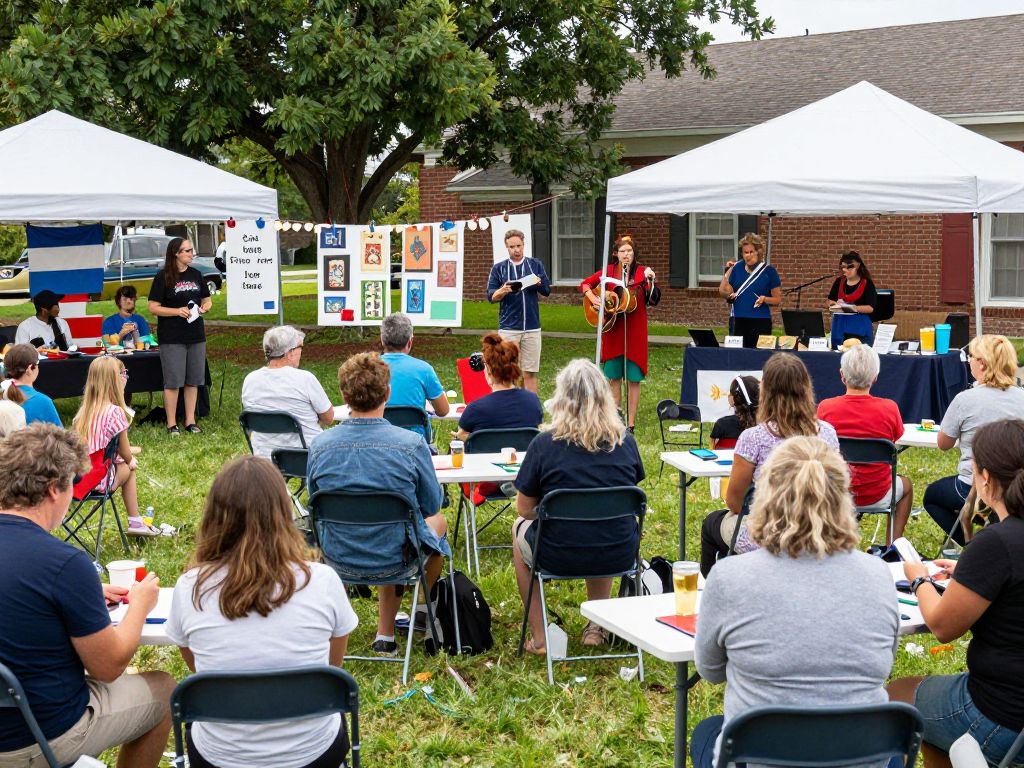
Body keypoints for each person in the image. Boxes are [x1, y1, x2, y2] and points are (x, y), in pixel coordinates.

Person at [691, 436, 898, 768]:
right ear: (843, 499)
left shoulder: (729, 578)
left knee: (707, 732)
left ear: (766, 497)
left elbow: (710, 670)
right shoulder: (879, 575)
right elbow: (884, 664)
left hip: (760, 752)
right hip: (859, 754)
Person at [166, 456, 358, 768]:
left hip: (220, 757)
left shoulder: (190, 588)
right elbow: (330, 665)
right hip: (312, 752)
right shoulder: (322, 581)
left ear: (214, 516)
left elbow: (198, 667)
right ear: (284, 514)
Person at [0, 424, 174, 768]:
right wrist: (140, 604)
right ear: (53, 489)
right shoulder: (63, 563)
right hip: (37, 737)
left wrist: (80, 596)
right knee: (166, 690)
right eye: (72, 485)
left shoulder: (58, 572)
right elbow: (107, 667)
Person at [888, 419, 1024, 768]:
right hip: (1012, 708)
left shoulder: (996, 542)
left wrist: (919, 579)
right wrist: (968, 570)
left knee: (891, 699)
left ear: (985, 477)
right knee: (941, 738)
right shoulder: (999, 546)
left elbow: (943, 627)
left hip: (1000, 715)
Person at [307, 352, 449, 657]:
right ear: (387, 393)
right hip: (395, 555)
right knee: (437, 522)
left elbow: (314, 502)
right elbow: (431, 503)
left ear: (344, 396)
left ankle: (340, 625)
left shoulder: (319, 446)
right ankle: (398, 625)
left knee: (393, 525)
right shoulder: (411, 445)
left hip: (336, 553)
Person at [512, 359, 645, 654]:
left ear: (561, 398)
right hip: (619, 550)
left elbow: (524, 509)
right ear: (605, 398)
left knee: (517, 527)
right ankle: (596, 627)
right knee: (603, 521)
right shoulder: (626, 443)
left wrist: (558, 514)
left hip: (557, 552)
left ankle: (540, 636)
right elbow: (629, 494)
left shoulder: (543, 444)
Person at [700, 353, 840, 575]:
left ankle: (716, 594)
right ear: (806, 388)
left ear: (765, 392)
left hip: (767, 537)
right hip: (816, 529)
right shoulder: (828, 434)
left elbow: (735, 502)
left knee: (711, 525)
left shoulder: (753, 438)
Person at [923, 334, 1024, 546]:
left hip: (975, 486)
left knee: (932, 496)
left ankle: (974, 545)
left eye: (970, 356)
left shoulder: (965, 399)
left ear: (982, 363)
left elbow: (944, 444)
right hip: (1017, 488)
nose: (968, 361)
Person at [817, 343, 912, 543]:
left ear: (842, 375)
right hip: (877, 493)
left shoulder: (826, 408)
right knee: (907, 486)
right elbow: (895, 438)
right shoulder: (889, 408)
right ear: (875, 377)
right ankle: (891, 546)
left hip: (835, 492)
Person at [579, 235, 661, 430]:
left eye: (629, 251)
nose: (626, 255)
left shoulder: (642, 272)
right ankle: (616, 419)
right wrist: (594, 297)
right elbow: (585, 284)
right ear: (616, 254)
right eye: (623, 251)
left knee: (633, 378)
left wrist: (651, 280)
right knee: (614, 377)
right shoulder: (608, 271)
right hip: (614, 330)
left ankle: (631, 423)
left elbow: (654, 298)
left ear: (634, 253)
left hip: (635, 330)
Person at [72, 355, 157, 537]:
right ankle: (135, 520)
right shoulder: (115, 412)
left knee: (123, 463)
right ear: (115, 380)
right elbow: (123, 451)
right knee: (128, 468)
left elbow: (97, 447)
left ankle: (136, 521)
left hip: (79, 480)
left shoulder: (83, 412)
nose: (125, 377)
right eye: (123, 373)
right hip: (99, 480)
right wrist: (131, 459)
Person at [148, 237, 211, 436]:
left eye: (191, 250)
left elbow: (207, 299)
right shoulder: (163, 277)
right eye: (187, 251)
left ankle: (190, 420)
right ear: (176, 253)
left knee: (193, 379)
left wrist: (204, 308)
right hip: (172, 336)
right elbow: (153, 307)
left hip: (195, 334)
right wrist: (177, 311)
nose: (191, 254)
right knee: (173, 381)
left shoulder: (196, 274)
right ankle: (171, 423)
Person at [241, 325, 334, 458]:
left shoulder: (250, 380)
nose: (301, 351)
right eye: (300, 347)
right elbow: (329, 418)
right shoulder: (305, 379)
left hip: (264, 456)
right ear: (290, 352)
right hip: (305, 456)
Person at [486, 228, 551, 394]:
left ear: (524, 245)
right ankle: (511, 407)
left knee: (530, 372)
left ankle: (531, 409)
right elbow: (491, 296)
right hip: (509, 327)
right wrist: (503, 290)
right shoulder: (499, 268)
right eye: (512, 247)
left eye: (519, 246)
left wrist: (537, 282)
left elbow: (546, 290)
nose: (516, 250)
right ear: (507, 248)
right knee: (508, 370)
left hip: (532, 327)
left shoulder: (535, 264)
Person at [456, 332, 543, 441]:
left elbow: (461, 437)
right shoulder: (533, 402)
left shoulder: (475, 409)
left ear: (488, 370)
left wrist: (460, 437)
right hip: (522, 458)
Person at [380, 312, 449, 438]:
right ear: (410, 342)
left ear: (382, 340)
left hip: (378, 439)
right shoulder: (424, 369)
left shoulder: (368, 368)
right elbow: (443, 410)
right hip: (416, 441)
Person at [718, 233, 781, 348]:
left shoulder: (769, 271)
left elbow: (777, 300)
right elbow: (724, 292)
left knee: (759, 357)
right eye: (745, 252)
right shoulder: (736, 268)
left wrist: (764, 299)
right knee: (738, 357)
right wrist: (727, 272)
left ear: (759, 252)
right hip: (738, 320)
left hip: (761, 321)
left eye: (751, 252)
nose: (748, 256)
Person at [826, 250, 878, 346]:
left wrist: (851, 308)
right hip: (839, 324)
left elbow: (870, 308)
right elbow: (830, 300)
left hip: (859, 325)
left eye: (850, 267)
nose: (845, 270)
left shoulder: (867, 283)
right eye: (843, 267)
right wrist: (833, 304)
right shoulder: (838, 282)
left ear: (858, 266)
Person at [2, 342, 62, 426]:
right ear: (30, 369)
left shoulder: (3, 393)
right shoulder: (43, 401)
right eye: (38, 363)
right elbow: (60, 436)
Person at [709, 376, 760, 450]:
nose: (728, 395)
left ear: (734, 398)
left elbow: (712, 450)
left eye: (730, 393)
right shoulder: (766, 425)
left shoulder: (722, 424)